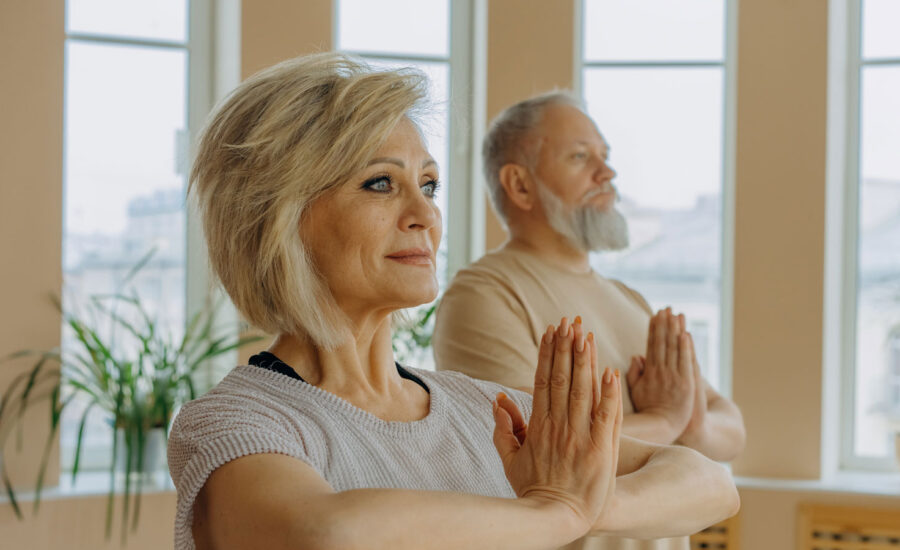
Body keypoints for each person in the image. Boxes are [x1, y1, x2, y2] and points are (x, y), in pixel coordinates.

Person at [167, 53, 739, 550]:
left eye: (430, 185)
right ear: (279, 217)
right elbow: (322, 535)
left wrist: (584, 504)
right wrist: (553, 511)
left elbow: (710, 483)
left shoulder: (475, 406)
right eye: (381, 183)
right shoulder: (236, 422)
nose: (425, 215)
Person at [433, 92, 747, 550]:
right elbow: (527, 451)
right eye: (581, 157)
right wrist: (664, 421)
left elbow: (731, 430)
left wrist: (692, 427)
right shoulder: (484, 295)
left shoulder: (629, 299)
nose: (608, 173)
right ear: (519, 185)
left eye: (606, 156)